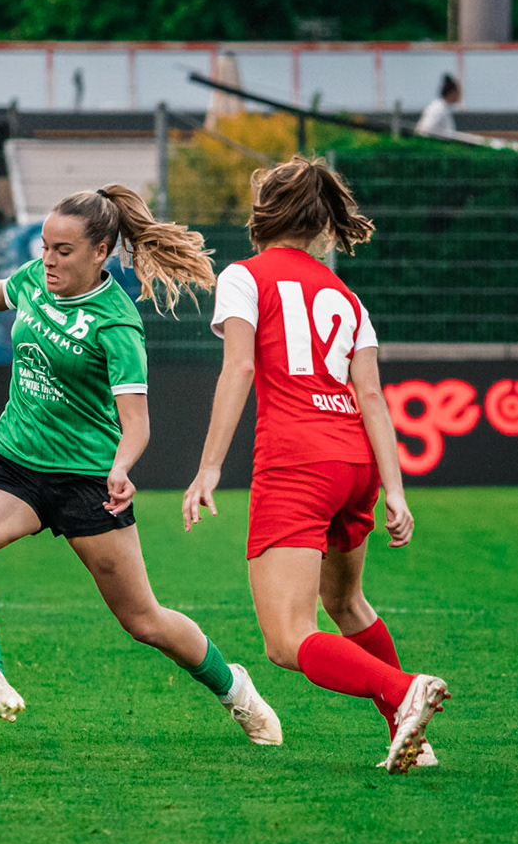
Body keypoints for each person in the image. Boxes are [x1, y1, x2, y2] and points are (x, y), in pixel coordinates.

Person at [0, 185, 284, 744]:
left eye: (63, 251)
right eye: (45, 246)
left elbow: (136, 422)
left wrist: (121, 468)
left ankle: (235, 690)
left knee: (144, 621)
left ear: (101, 253)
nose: (48, 260)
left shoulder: (116, 323)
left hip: (88, 481)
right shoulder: (37, 280)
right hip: (16, 466)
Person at [182, 157, 448, 775]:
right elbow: (375, 399)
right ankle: (413, 730)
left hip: (297, 463)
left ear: (262, 214)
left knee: (285, 640)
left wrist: (208, 468)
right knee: (347, 603)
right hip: (356, 462)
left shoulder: (246, 277)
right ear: (322, 220)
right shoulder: (347, 296)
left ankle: (401, 692)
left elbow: (241, 369)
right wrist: (397, 492)